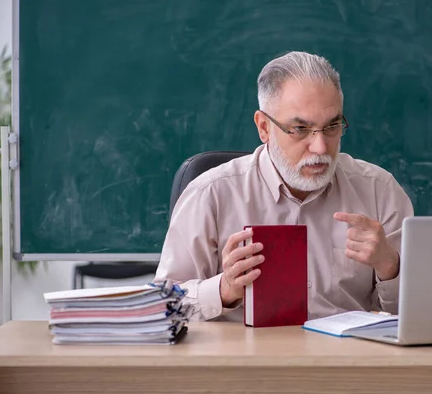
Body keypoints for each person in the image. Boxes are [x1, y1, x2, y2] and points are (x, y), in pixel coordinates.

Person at [153, 51, 414, 322]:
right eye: (300, 129)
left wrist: (390, 266)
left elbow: (422, 314)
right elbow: (163, 307)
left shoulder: (379, 191)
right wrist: (224, 289)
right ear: (264, 127)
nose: (320, 147)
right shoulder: (210, 194)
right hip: (244, 360)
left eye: (332, 126)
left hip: (346, 359)